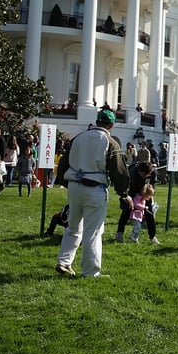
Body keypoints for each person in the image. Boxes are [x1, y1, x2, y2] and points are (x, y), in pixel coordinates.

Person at [54, 109, 129, 278]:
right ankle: (90, 271)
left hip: (74, 186)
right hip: (94, 188)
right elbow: (119, 170)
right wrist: (123, 193)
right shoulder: (110, 142)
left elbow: (64, 164)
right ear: (111, 125)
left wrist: (66, 182)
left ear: (97, 121)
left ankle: (64, 262)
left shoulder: (78, 138)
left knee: (73, 227)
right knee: (93, 231)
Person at [115, 162, 159, 244]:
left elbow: (152, 185)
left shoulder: (152, 173)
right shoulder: (131, 173)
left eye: (147, 175)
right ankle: (119, 233)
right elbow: (125, 187)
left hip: (144, 194)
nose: (144, 177)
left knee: (150, 214)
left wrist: (150, 196)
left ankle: (152, 236)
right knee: (126, 212)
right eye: (143, 175)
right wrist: (128, 198)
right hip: (131, 192)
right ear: (139, 171)